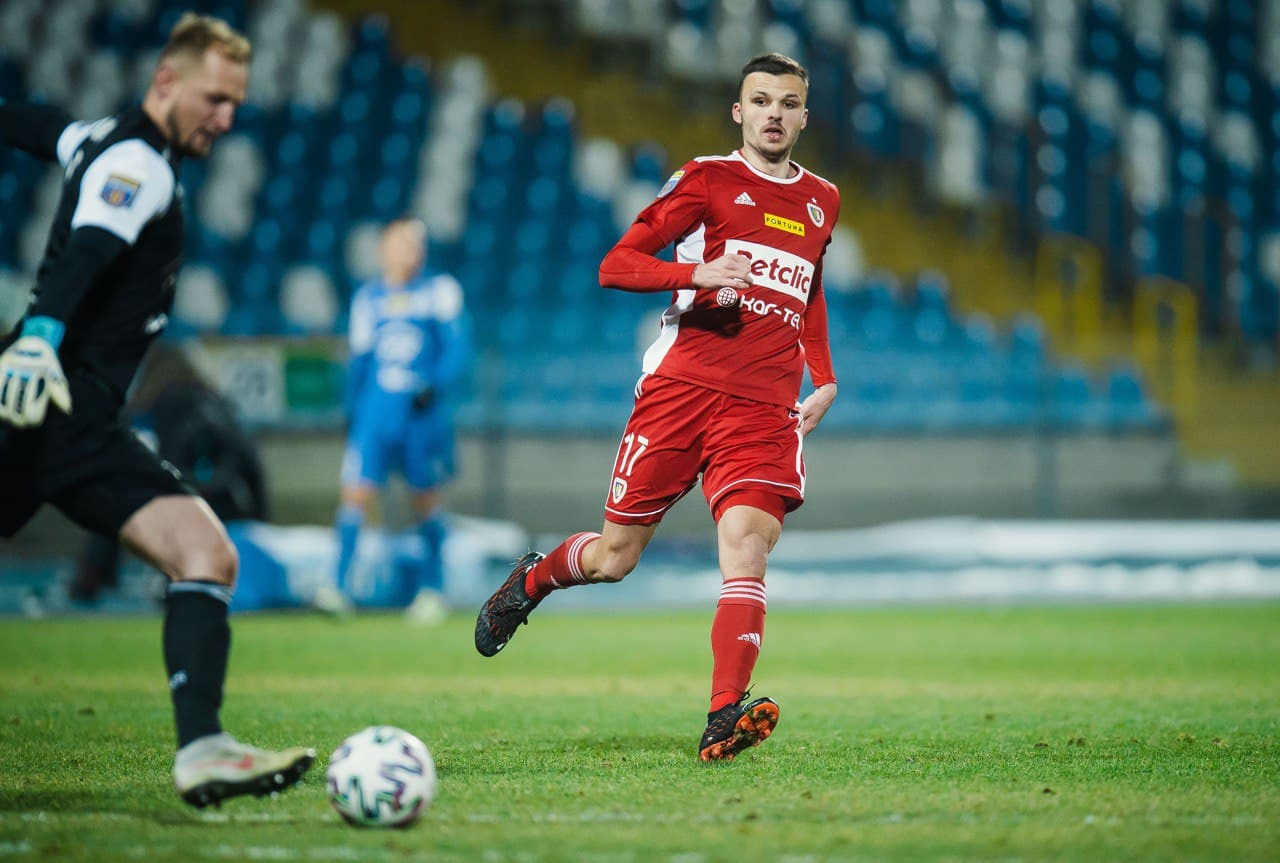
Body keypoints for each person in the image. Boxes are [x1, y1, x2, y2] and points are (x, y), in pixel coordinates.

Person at [475, 53, 840, 762]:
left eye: (788, 103)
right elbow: (616, 265)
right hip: (681, 393)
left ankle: (722, 715)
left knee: (747, 545)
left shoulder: (822, 198)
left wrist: (822, 376)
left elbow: (811, 287)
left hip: (764, 407)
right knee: (614, 559)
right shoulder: (705, 180)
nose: (773, 113)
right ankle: (532, 580)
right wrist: (695, 271)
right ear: (738, 111)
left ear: (803, 116)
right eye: (760, 100)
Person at [0, 13, 314, 806]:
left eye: (236, 102)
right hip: (37, 403)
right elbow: (89, 250)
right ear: (166, 80)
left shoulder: (98, 141)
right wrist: (39, 337)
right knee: (205, 552)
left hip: (79, 423)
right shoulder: (139, 165)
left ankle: (203, 748)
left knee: (205, 552)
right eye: (215, 98)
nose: (227, 117)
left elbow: (40, 127)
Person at [314, 217, 470, 623]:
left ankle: (433, 590)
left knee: (425, 498)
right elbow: (360, 360)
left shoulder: (440, 290)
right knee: (355, 494)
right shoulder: (368, 298)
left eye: (416, 244)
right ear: (383, 250)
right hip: (376, 413)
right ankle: (337, 587)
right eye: (402, 243)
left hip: (421, 415)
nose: (411, 251)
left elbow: (458, 348)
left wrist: (435, 385)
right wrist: (351, 410)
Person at [70, 344, 269, 604]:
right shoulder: (217, 405)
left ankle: (90, 584)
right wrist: (261, 525)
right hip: (222, 506)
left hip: (166, 504)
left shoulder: (146, 410)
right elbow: (251, 465)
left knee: (114, 503)